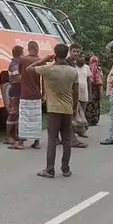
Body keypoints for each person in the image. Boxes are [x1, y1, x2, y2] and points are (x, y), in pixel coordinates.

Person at [27, 43, 79, 178]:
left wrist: (44, 60)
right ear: (67, 54)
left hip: (54, 110)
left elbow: (29, 69)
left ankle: (50, 169)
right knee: (67, 140)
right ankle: (66, 168)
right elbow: (76, 91)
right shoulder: (73, 71)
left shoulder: (48, 70)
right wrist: (74, 108)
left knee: (52, 140)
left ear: (55, 54)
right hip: (67, 110)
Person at [11, 41, 42, 150]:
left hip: (25, 92)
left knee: (24, 117)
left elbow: (20, 73)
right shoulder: (40, 61)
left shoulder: (23, 60)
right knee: (36, 117)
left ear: (28, 49)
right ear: (37, 49)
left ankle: (20, 142)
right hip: (37, 93)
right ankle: (37, 142)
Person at [4, 45, 24, 144]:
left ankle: (14, 134)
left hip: (18, 90)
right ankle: (8, 137)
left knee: (16, 114)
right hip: (15, 90)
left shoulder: (16, 64)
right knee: (12, 113)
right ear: (20, 54)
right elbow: (18, 78)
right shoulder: (14, 65)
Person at [74, 56, 92, 137]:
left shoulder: (86, 67)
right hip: (75, 93)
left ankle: (82, 131)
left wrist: (90, 93)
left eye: (82, 58)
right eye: (79, 58)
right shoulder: (73, 67)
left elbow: (89, 81)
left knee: (83, 113)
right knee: (76, 113)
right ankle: (75, 130)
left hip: (84, 93)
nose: (81, 59)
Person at [85, 55, 103, 126]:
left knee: (90, 103)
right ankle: (94, 119)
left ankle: (88, 119)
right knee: (95, 104)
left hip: (90, 88)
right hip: (96, 89)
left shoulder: (88, 68)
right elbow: (100, 80)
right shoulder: (98, 69)